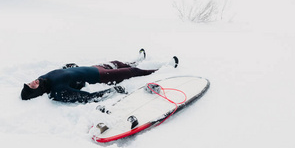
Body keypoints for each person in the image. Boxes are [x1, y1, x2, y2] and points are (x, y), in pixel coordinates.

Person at [20, 49, 179, 103]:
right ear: (38, 92)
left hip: (93, 68)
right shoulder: (58, 92)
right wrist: (112, 91)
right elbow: (88, 98)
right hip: (102, 78)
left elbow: (61, 73)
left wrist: (69, 67)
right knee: (132, 73)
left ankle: (135, 61)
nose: (33, 82)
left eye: (29, 83)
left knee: (118, 62)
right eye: (32, 86)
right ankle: (163, 69)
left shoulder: (43, 78)